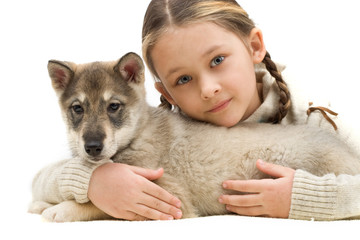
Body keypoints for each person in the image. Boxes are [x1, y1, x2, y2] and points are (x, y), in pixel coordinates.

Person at [31, 0, 360, 221]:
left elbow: (173, 205)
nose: (208, 89)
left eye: (218, 60)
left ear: (255, 47)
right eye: (184, 78)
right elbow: (39, 183)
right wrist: (93, 183)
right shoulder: (175, 120)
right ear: (164, 92)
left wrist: (304, 197)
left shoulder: (320, 117)